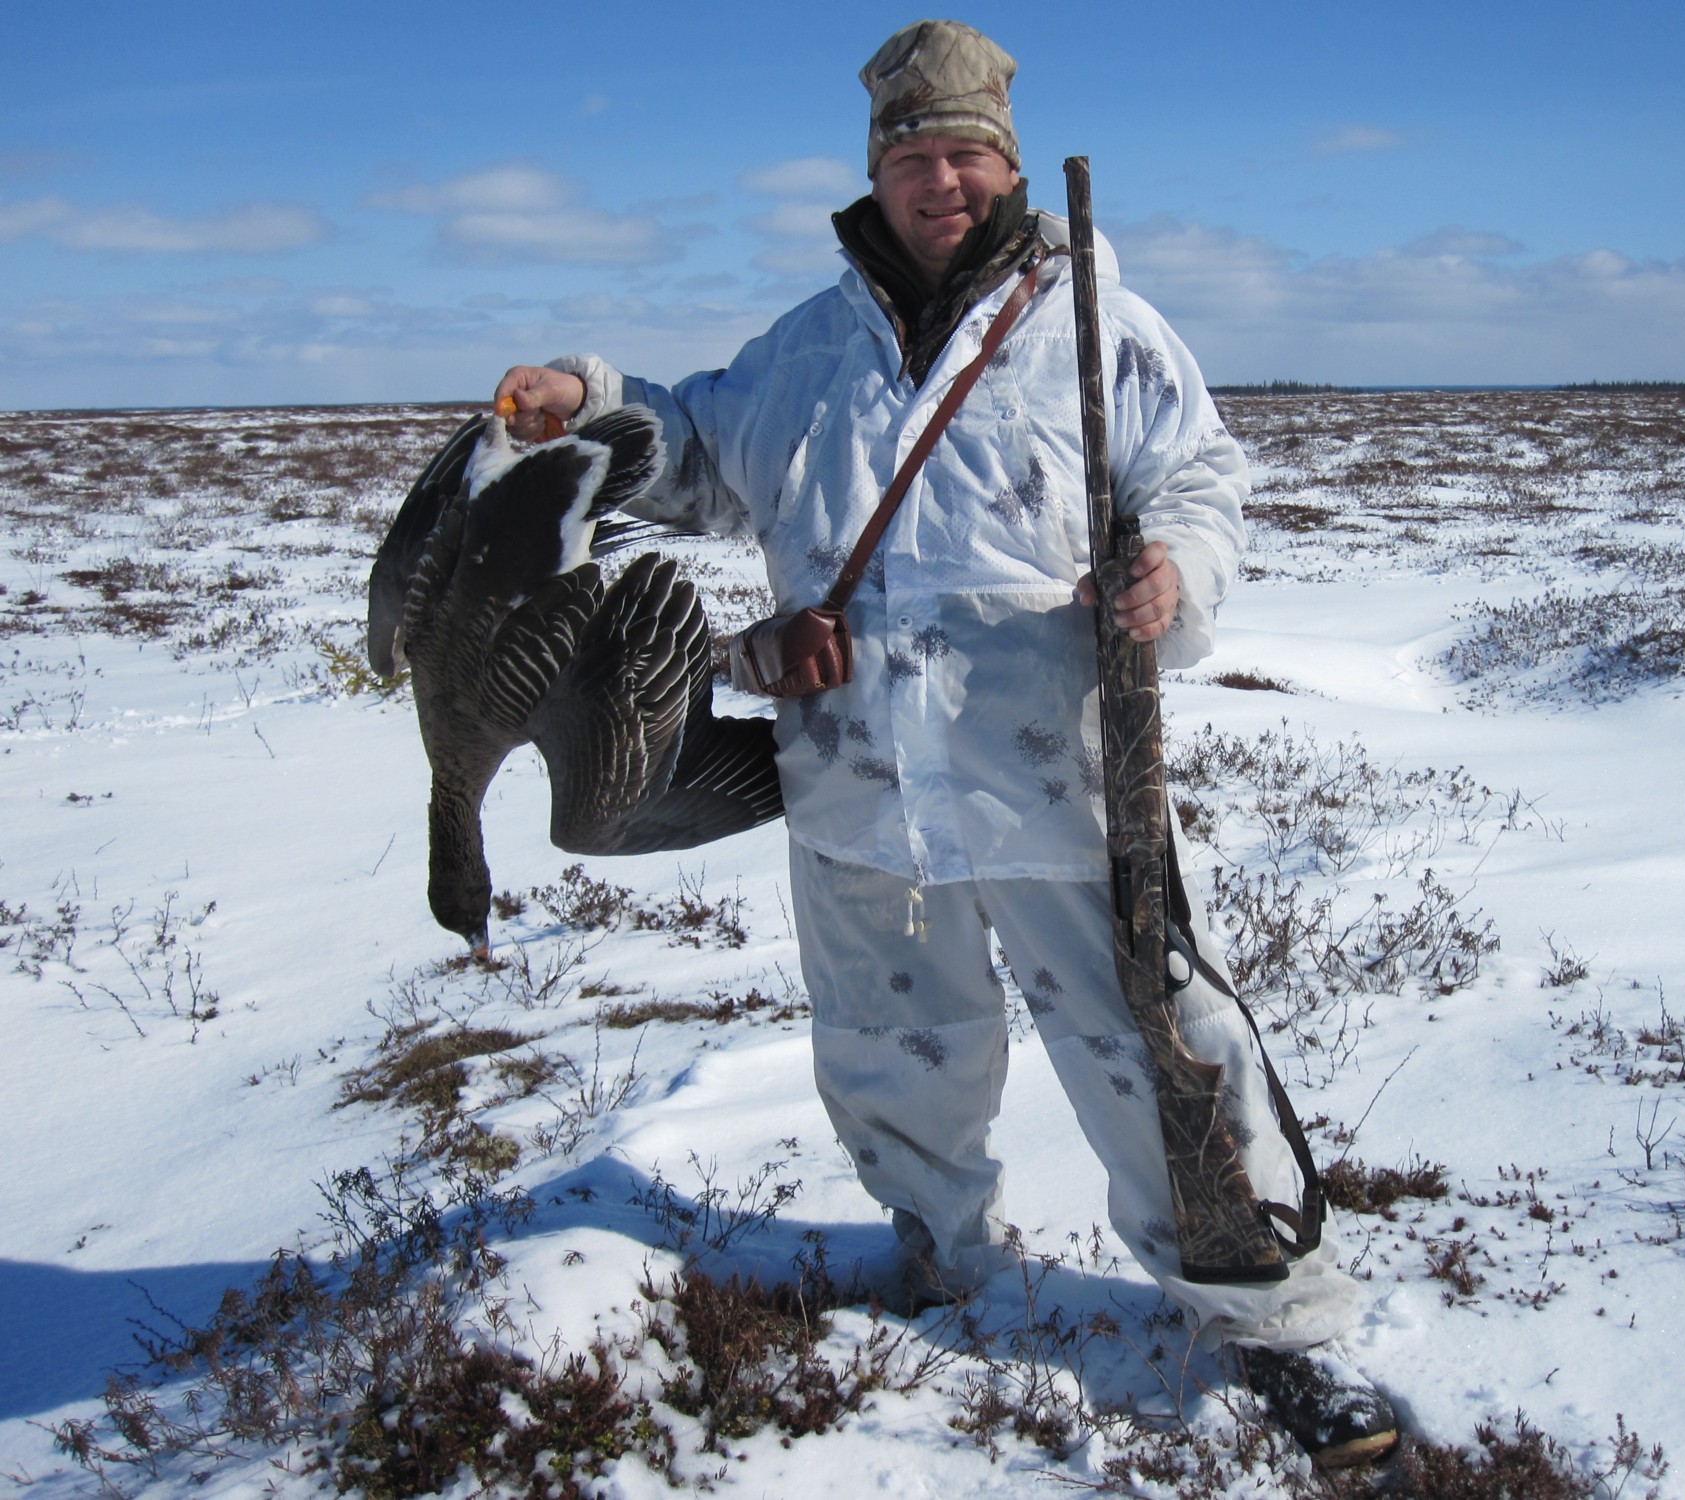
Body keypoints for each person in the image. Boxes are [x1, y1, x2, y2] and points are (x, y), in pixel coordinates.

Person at [495, 19, 1397, 1469]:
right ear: (877, 172)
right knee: (887, 1049)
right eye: (914, 157)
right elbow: (698, 452)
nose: (942, 182)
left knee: (1157, 1047)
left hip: (1061, 779)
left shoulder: (1095, 320)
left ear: (1009, 163)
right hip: (858, 785)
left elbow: (1203, 473)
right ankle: (943, 1258)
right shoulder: (802, 350)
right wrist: (586, 404)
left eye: (966, 153)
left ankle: (1271, 1325)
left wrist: (1171, 564)